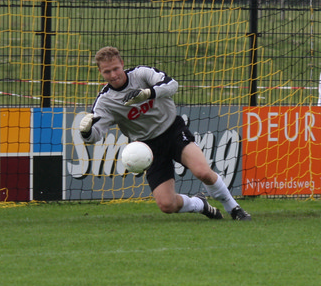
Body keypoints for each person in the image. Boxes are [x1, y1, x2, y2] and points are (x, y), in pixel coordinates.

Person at [77, 46, 252, 221]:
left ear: (122, 63)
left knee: (203, 172)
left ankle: (233, 208)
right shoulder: (105, 101)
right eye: (107, 72)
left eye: (116, 68)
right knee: (167, 205)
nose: (114, 75)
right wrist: (86, 132)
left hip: (173, 131)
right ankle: (200, 204)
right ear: (100, 72)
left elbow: (172, 85)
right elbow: (96, 134)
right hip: (147, 147)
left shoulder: (141, 74)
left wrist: (148, 93)